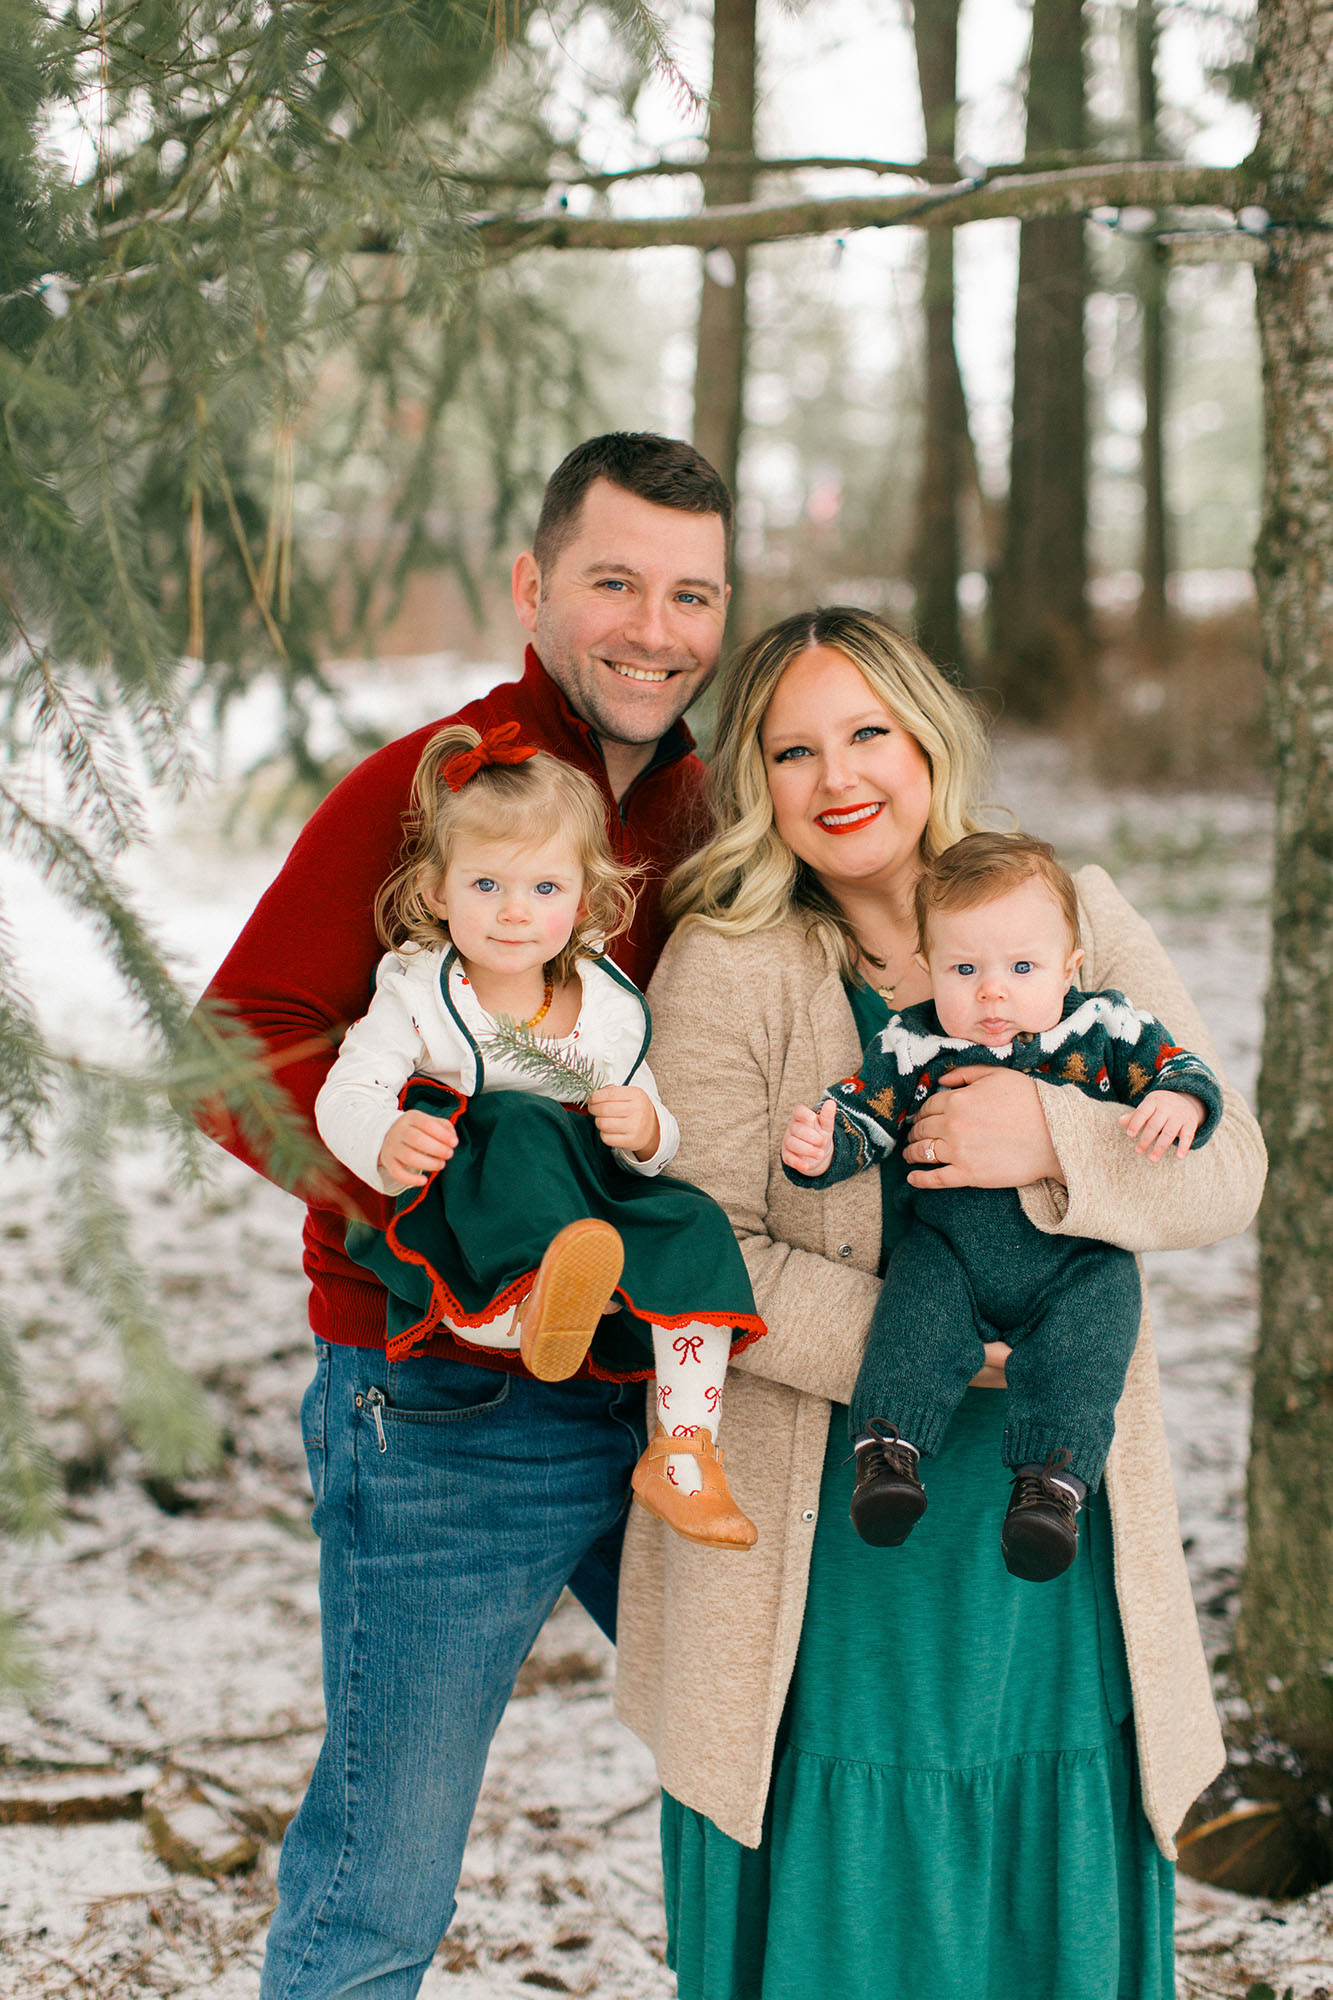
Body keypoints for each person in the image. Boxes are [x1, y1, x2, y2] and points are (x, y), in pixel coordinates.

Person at [614, 607, 1267, 2000]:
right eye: (792, 750)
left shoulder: (1068, 914)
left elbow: (1228, 1170)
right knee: (862, 1881)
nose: (837, 776)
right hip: (838, 1518)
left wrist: (1051, 1139)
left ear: (926, 738)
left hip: (1052, 1507)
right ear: (754, 782)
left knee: (1043, 1857)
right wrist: (938, 1355)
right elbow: (700, 1251)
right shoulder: (729, 964)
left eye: (867, 733)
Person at [193, 432, 732, 1998]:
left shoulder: (710, 813)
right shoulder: (445, 789)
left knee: (787, 1758)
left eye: (692, 592)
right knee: (384, 1880)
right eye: (613, 581)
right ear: (533, 586)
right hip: (442, 1405)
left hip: (666, 1407)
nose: (654, 626)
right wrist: (404, 1189)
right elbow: (239, 1038)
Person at [313, 721, 764, 1547]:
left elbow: (653, 1124)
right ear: (438, 892)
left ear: (585, 900)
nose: (516, 913)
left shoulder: (604, 1001)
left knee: (691, 1220)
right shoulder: (418, 990)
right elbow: (349, 1089)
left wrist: (646, 1130)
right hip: (476, 1209)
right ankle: (513, 1309)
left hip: (590, 1200)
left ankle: (684, 1446)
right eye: (487, 885)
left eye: (545, 890)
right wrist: (382, 1137)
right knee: (520, 1118)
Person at [781, 828, 1224, 1580]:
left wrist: (1181, 1098)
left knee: (1091, 1345)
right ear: (927, 970)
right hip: (951, 1251)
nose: (992, 990)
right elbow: (869, 1112)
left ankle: (1049, 1488)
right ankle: (888, 1457)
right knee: (911, 1320)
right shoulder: (913, 1042)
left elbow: (1176, 1064)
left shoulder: (1103, 1026)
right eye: (964, 968)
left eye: (1021, 967)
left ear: (1068, 967)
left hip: (1074, 1258)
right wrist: (827, 1147)